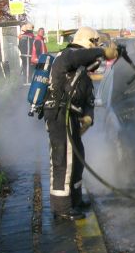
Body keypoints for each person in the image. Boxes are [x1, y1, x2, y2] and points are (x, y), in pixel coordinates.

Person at [42, 26, 118, 221]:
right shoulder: (67, 55)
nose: (98, 47)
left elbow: (88, 97)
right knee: (63, 159)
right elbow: (76, 58)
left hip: (72, 116)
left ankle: (74, 199)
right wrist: (102, 52)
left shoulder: (82, 66)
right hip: (59, 114)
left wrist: (89, 116)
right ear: (88, 41)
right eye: (96, 43)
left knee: (77, 157)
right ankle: (61, 207)